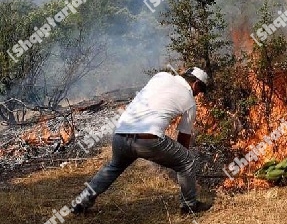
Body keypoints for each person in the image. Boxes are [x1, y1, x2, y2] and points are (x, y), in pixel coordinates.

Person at [73, 67, 213, 215]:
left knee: (113, 167)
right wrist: (180, 163)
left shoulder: (161, 76)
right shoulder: (190, 101)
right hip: (147, 140)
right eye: (200, 90)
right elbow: (183, 137)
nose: (198, 94)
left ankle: (81, 203)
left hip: (121, 135)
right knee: (187, 161)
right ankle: (189, 206)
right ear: (195, 84)